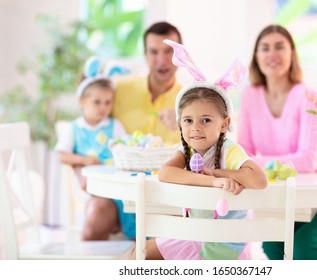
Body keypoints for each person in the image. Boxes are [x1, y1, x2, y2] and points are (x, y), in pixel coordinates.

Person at [237, 24, 317, 260]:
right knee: (273, 246)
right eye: (264, 48)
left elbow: (307, 161)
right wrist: (250, 163)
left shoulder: (308, 95)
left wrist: (256, 163)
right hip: (294, 202)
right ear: (256, 56)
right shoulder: (249, 96)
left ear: (292, 54)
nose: (271, 54)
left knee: (303, 247)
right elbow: (240, 154)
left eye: (279, 47)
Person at [135, 39, 268, 260]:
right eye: (188, 120)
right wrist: (213, 181)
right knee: (139, 253)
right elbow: (166, 173)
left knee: (144, 252)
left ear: (224, 124)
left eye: (205, 120)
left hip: (223, 246)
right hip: (196, 234)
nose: (195, 127)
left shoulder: (228, 149)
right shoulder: (186, 149)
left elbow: (259, 180)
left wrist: (221, 172)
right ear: (179, 124)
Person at [82, 21, 184, 241]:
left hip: (166, 201)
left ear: (180, 54)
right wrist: (77, 165)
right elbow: (86, 123)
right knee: (95, 213)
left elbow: (212, 148)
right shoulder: (118, 87)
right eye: (154, 51)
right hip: (117, 196)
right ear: (145, 54)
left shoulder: (191, 98)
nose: (162, 60)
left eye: (169, 51)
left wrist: (183, 125)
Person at [55, 57, 126, 192]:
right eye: (97, 102)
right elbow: (61, 155)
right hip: (91, 182)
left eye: (108, 102)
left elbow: (125, 149)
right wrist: (84, 160)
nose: (103, 107)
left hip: (115, 179)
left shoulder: (114, 125)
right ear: (82, 102)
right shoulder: (75, 128)